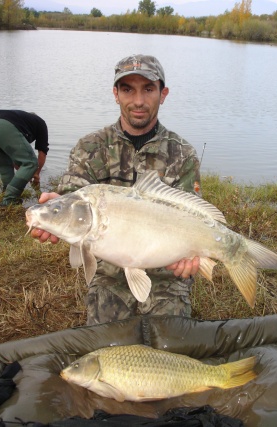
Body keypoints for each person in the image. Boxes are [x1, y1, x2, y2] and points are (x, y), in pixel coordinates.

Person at [31, 54, 201, 325]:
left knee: (169, 352)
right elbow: (72, 199)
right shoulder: (90, 147)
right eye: (127, 89)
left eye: (148, 89)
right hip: (109, 276)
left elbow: (192, 216)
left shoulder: (182, 153)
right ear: (115, 93)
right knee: (108, 356)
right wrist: (54, 209)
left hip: (165, 274)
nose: (138, 101)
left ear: (163, 93)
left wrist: (191, 258)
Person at [0, 109, 49, 206]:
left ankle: (6, 191)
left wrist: (25, 173)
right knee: (31, 163)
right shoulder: (40, 123)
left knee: (4, 164)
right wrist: (36, 173)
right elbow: (42, 152)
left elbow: (15, 158)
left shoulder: (21, 122)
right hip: (4, 125)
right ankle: (9, 200)